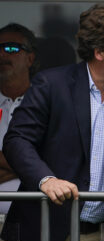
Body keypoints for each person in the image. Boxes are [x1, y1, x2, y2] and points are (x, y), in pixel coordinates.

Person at [0, 4, 104, 241]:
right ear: (99, 52)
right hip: (47, 227)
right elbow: (17, 140)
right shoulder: (51, 84)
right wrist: (47, 180)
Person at [0, 23, 38, 215]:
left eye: (11, 48)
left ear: (30, 58)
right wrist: (27, 166)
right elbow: (36, 161)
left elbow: (51, 160)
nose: (2, 55)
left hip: (36, 222)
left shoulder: (45, 103)